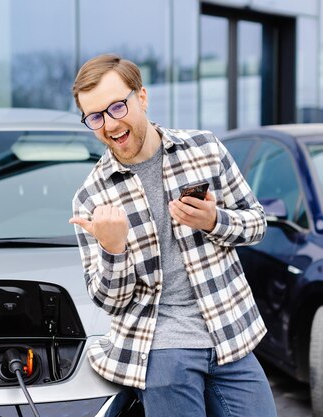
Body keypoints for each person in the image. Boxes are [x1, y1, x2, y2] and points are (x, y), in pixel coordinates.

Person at [68, 54, 277, 417]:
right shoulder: (92, 198)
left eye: (117, 107)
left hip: (229, 331)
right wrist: (113, 249)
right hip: (161, 349)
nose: (110, 124)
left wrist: (215, 220)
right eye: (95, 117)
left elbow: (257, 224)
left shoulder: (205, 149)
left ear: (142, 97)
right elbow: (109, 302)